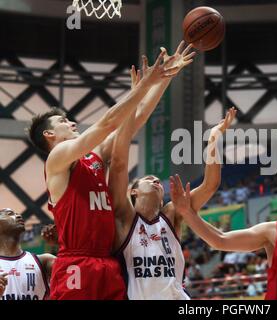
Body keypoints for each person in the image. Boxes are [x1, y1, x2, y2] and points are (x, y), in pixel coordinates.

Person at [28, 47, 189, 300]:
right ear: (49, 135)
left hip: (108, 261)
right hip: (77, 263)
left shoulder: (94, 157)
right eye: (63, 121)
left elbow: (134, 121)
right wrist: (141, 87)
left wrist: (165, 77)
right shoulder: (56, 159)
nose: (71, 123)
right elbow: (106, 124)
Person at [108, 102, 236, 299]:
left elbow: (211, 184)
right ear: (133, 192)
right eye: (148, 179)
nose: (156, 180)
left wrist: (213, 137)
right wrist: (135, 100)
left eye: (158, 180)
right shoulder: (126, 219)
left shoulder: (171, 214)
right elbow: (118, 165)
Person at [0, 208, 55, 300]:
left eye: (17, 213)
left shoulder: (44, 261)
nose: (18, 215)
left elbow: (78, 271)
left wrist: (62, 243)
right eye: (10, 213)